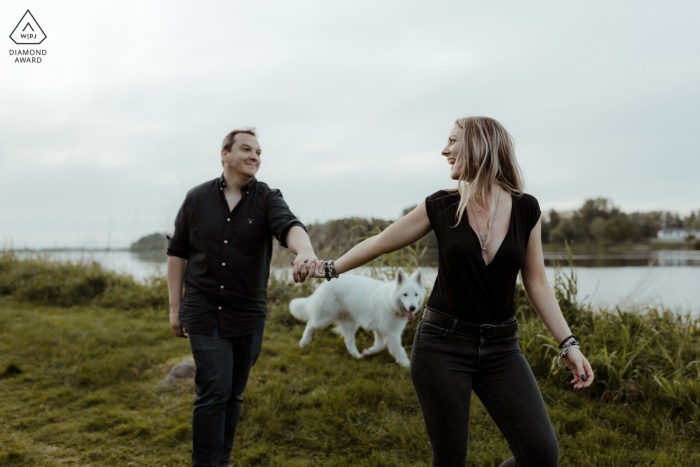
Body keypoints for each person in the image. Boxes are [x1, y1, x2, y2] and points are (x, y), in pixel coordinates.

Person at [304, 116, 594, 467]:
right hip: (442, 344)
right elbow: (382, 242)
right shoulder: (440, 205)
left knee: (541, 455)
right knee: (449, 459)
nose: (445, 150)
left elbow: (536, 282)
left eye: (453, 141)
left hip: (502, 348)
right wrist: (329, 267)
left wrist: (569, 344)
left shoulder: (526, 208)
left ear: (478, 145)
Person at [166, 128, 318, 467]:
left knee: (233, 394)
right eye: (247, 149)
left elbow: (289, 226)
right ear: (225, 153)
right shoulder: (196, 198)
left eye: (259, 152)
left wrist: (305, 251)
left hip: (248, 314)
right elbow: (177, 253)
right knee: (214, 390)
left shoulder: (266, 197)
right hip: (203, 310)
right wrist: (175, 308)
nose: (255, 156)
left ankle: (223, 460)